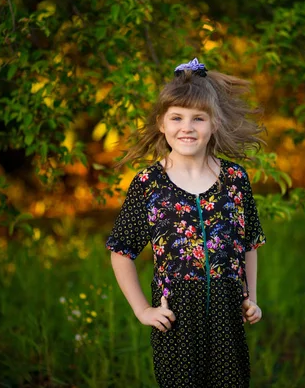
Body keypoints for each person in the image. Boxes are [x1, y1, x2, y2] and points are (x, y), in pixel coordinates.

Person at [106, 58, 267, 388]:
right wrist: (142, 310)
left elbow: (250, 243)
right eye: (176, 117)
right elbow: (121, 251)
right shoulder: (149, 184)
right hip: (177, 323)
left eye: (198, 118)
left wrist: (250, 297)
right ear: (162, 124)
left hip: (227, 318)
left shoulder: (235, 180)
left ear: (214, 124)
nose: (187, 127)